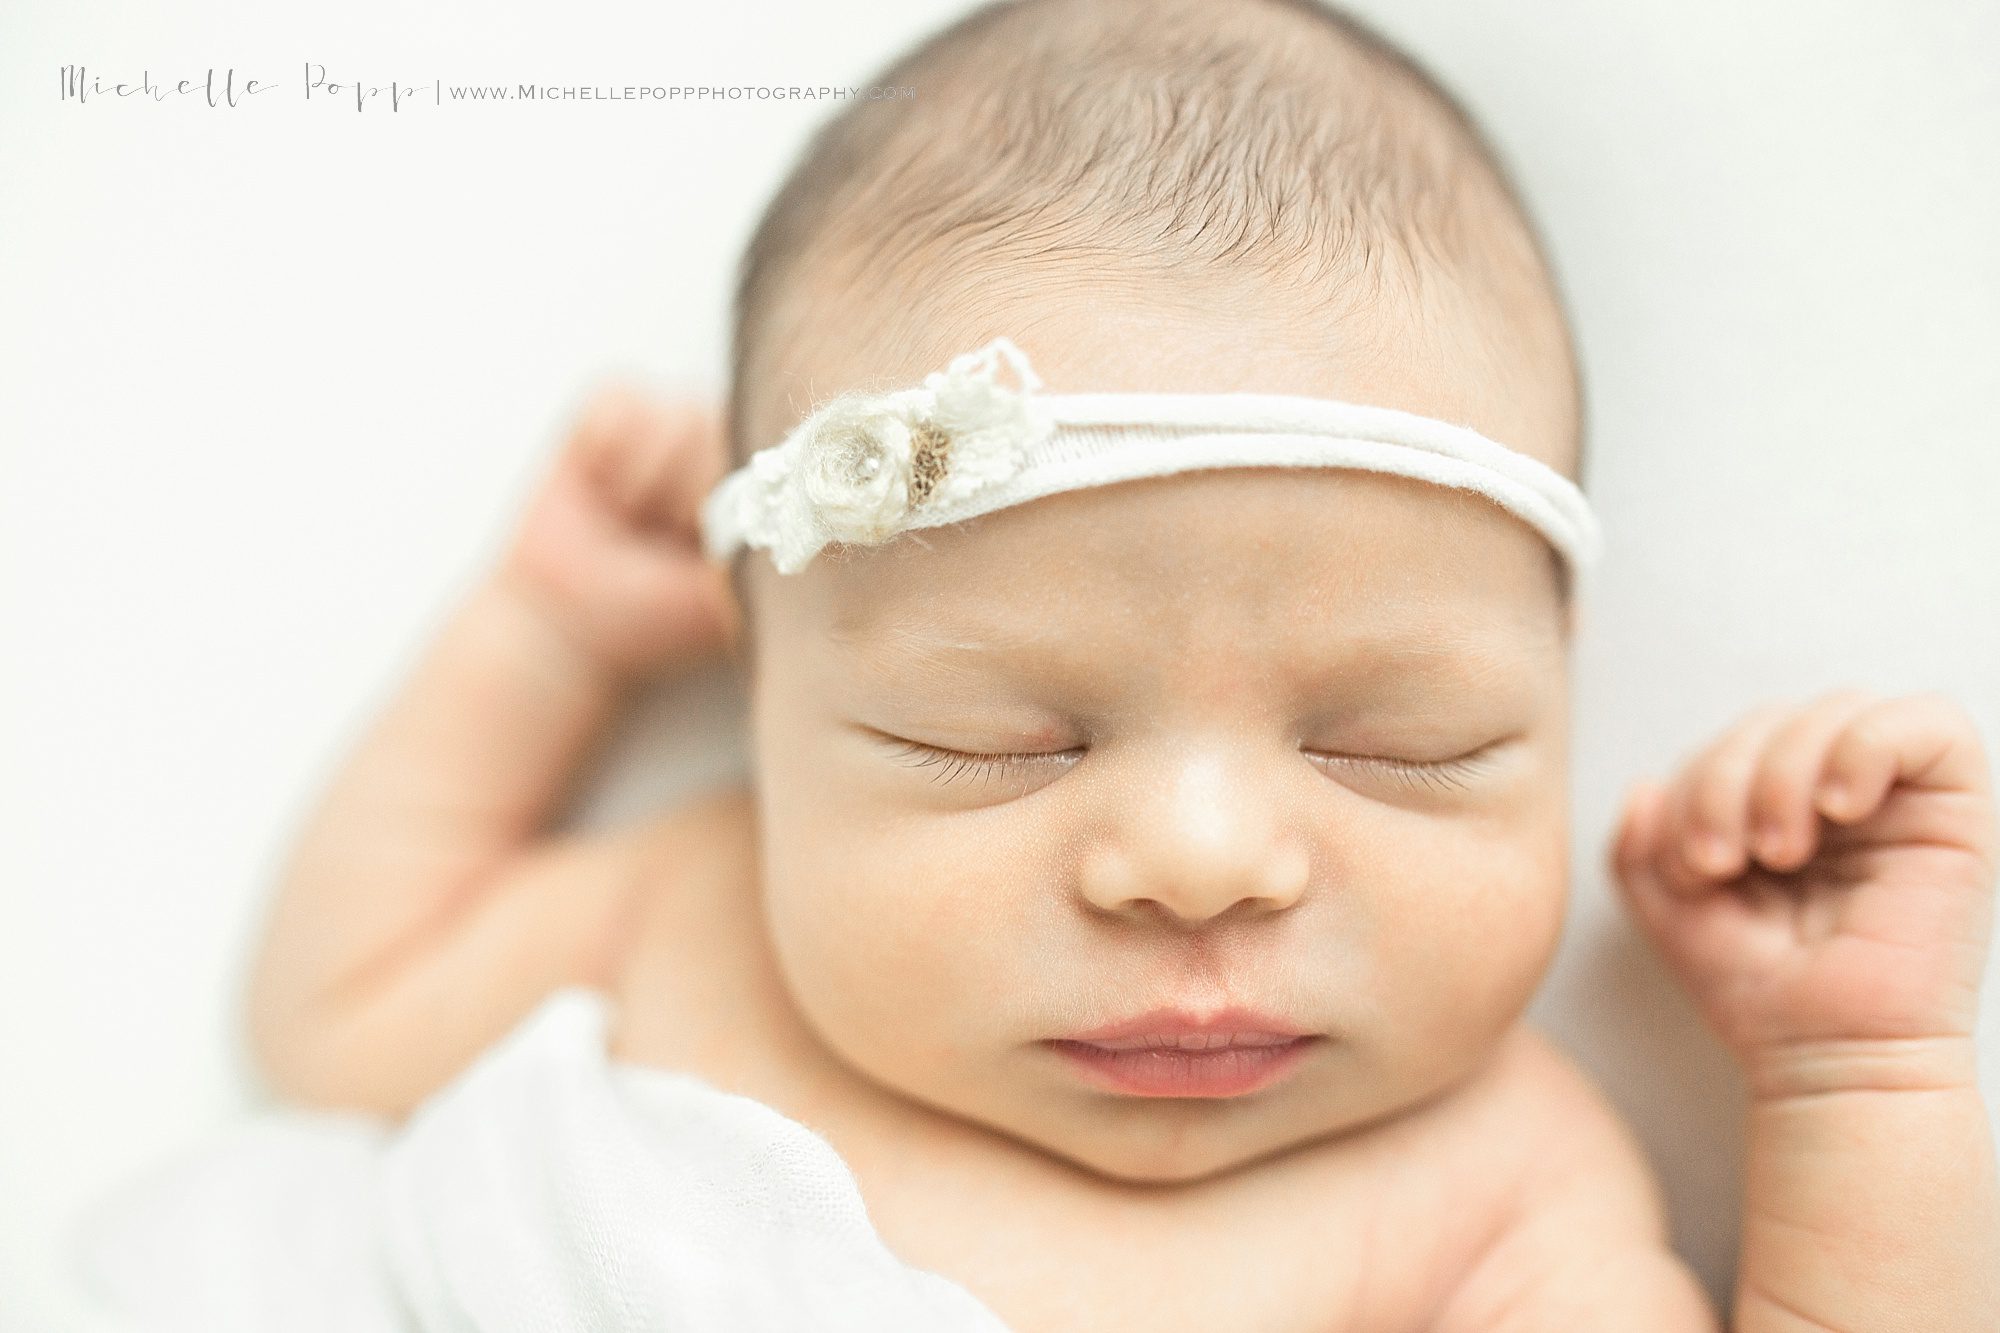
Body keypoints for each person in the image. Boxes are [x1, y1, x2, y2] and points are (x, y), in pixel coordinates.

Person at [236, 0, 2000, 1326]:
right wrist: (542, 641)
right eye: (992, 737)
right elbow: (334, 1010)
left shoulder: (1496, 1194)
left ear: (1560, 682)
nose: (1200, 862)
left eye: (1404, 741)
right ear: (755, 679)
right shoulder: (693, 915)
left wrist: (1856, 1084)